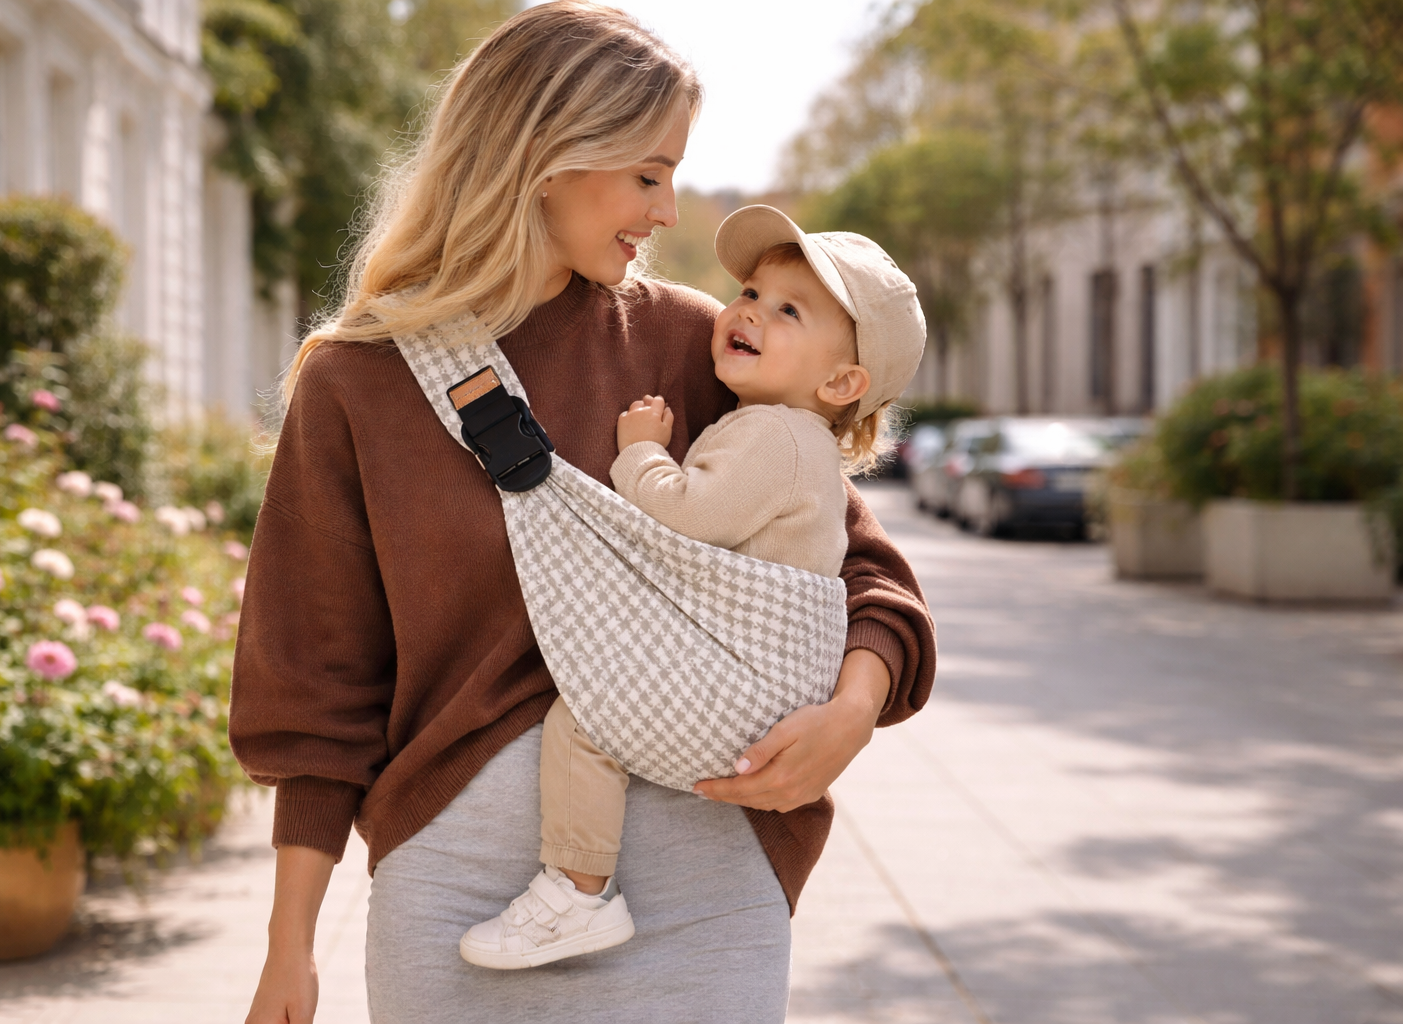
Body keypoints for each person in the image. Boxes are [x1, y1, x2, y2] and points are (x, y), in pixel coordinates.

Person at [231, 4, 937, 1022]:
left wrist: (851, 715)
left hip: (703, 891)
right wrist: (288, 947)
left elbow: (866, 572)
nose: (668, 211)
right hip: (457, 899)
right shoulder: (361, 381)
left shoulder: (696, 346)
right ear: (545, 158)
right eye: (649, 174)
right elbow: (316, 684)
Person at [459, 208, 927, 970]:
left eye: (788, 311)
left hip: (743, 691)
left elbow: (688, 517)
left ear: (842, 382)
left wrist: (641, 453)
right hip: (765, 699)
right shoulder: (786, 435)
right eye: (751, 292)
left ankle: (578, 891)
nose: (749, 312)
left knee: (586, 718)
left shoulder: (776, 434)